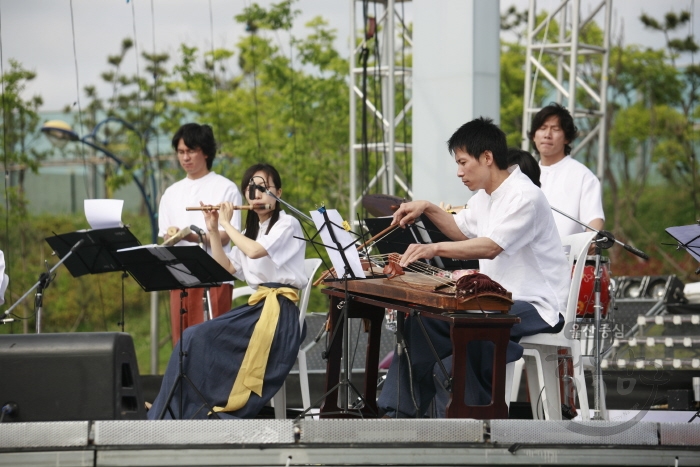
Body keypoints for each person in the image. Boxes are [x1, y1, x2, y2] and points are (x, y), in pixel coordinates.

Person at [376, 117, 570, 417]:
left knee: (476, 325)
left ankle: (475, 421)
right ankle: (397, 413)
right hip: (497, 300)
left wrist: (433, 247)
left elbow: (491, 246)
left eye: (463, 162)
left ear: (487, 157)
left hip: (537, 303)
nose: (459, 172)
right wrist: (426, 207)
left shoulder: (524, 196)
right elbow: (459, 228)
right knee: (422, 321)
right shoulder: (485, 198)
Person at [148, 163, 307, 419]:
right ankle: (174, 408)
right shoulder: (250, 231)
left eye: (263, 188)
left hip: (279, 315)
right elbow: (226, 267)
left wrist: (226, 224)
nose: (256, 194)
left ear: (278, 192)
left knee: (196, 338)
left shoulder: (288, 224)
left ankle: (195, 408)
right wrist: (212, 228)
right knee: (192, 337)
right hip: (257, 310)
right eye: (251, 189)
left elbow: (255, 251)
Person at [158, 123, 242, 344]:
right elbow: (165, 236)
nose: (185, 157)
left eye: (191, 151)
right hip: (179, 276)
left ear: (205, 151)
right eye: (181, 152)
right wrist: (172, 237)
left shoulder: (225, 188)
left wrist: (192, 237)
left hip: (214, 275)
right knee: (182, 345)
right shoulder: (170, 193)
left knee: (212, 342)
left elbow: (227, 235)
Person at [528, 103, 604, 236]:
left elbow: (594, 219)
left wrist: (591, 240)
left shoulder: (583, 175)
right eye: (542, 128)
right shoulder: (524, 174)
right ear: (534, 136)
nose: (547, 134)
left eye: (555, 129)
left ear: (567, 138)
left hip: (567, 255)